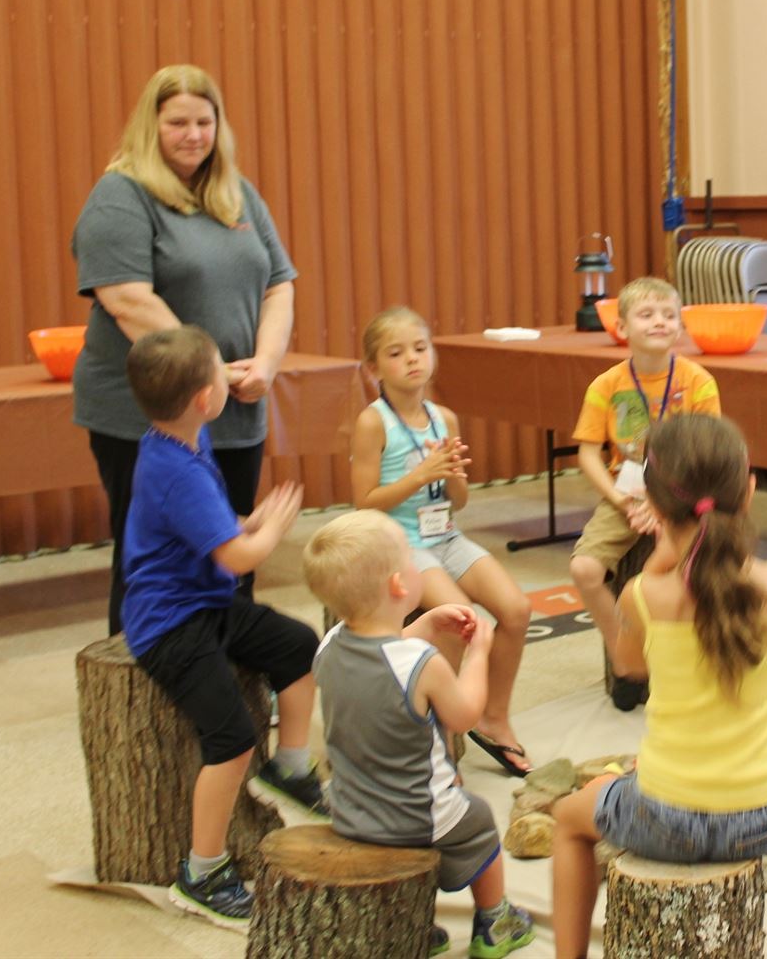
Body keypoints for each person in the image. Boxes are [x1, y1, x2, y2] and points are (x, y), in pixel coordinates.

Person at [551, 414, 767, 959]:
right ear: (748, 490)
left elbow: (628, 668)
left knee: (568, 820)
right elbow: (723, 586)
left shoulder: (642, 595)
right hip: (763, 812)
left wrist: (658, 566)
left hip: (662, 814)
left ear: (653, 507)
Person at [72, 64, 297, 634]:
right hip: (148, 415)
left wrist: (267, 363)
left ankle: (227, 669)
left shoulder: (237, 193)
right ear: (150, 126)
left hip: (234, 408)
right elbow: (127, 299)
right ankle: (152, 670)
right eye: (178, 123)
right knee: (158, 560)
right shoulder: (120, 195)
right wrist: (209, 370)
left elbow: (278, 284)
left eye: (205, 121)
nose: (194, 135)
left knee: (231, 553)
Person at [119, 327, 324, 926]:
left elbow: (212, 525)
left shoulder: (182, 437)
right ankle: (202, 872)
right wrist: (270, 529)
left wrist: (245, 520)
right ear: (205, 398)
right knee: (231, 741)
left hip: (207, 603)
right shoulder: (174, 467)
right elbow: (236, 558)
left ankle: (289, 768)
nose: (227, 374)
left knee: (298, 646)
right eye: (219, 370)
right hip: (168, 624)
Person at [305, 511, 535, 959]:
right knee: (479, 819)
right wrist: (477, 656)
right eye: (412, 561)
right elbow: (464, 715)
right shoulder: (421, 662)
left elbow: (379, 657)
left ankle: (410, 923)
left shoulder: (329, 644)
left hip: (351, 809)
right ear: (399, 585)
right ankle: (495, 921)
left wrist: (425, 625)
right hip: (416, 814)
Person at [350, 306, 534, 777]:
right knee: (461, 619)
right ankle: (442, 733)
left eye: (420, 348)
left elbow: (460, 501)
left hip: (446, 536)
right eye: (396, 353)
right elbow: (364, 503)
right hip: (402, 544)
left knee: (516, 610)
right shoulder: (374, 422)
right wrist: (421, 474)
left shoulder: (443, 418)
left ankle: (494, 717)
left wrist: (450, 474)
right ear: (373, 368)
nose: (412, 359)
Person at [569, 277, 721, 711]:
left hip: (684, 496)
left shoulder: (698, 382)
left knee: (697, 574)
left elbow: (710, 452)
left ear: (680, 327)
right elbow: (588, 454)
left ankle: (698, 665)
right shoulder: (606, 385)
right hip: (628, 494)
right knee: (584, 569)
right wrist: (623, 502)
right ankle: (625, 656)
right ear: (621, 327)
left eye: (669, 315)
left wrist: (665, 503)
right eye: (647, 314)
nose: (659, 322)